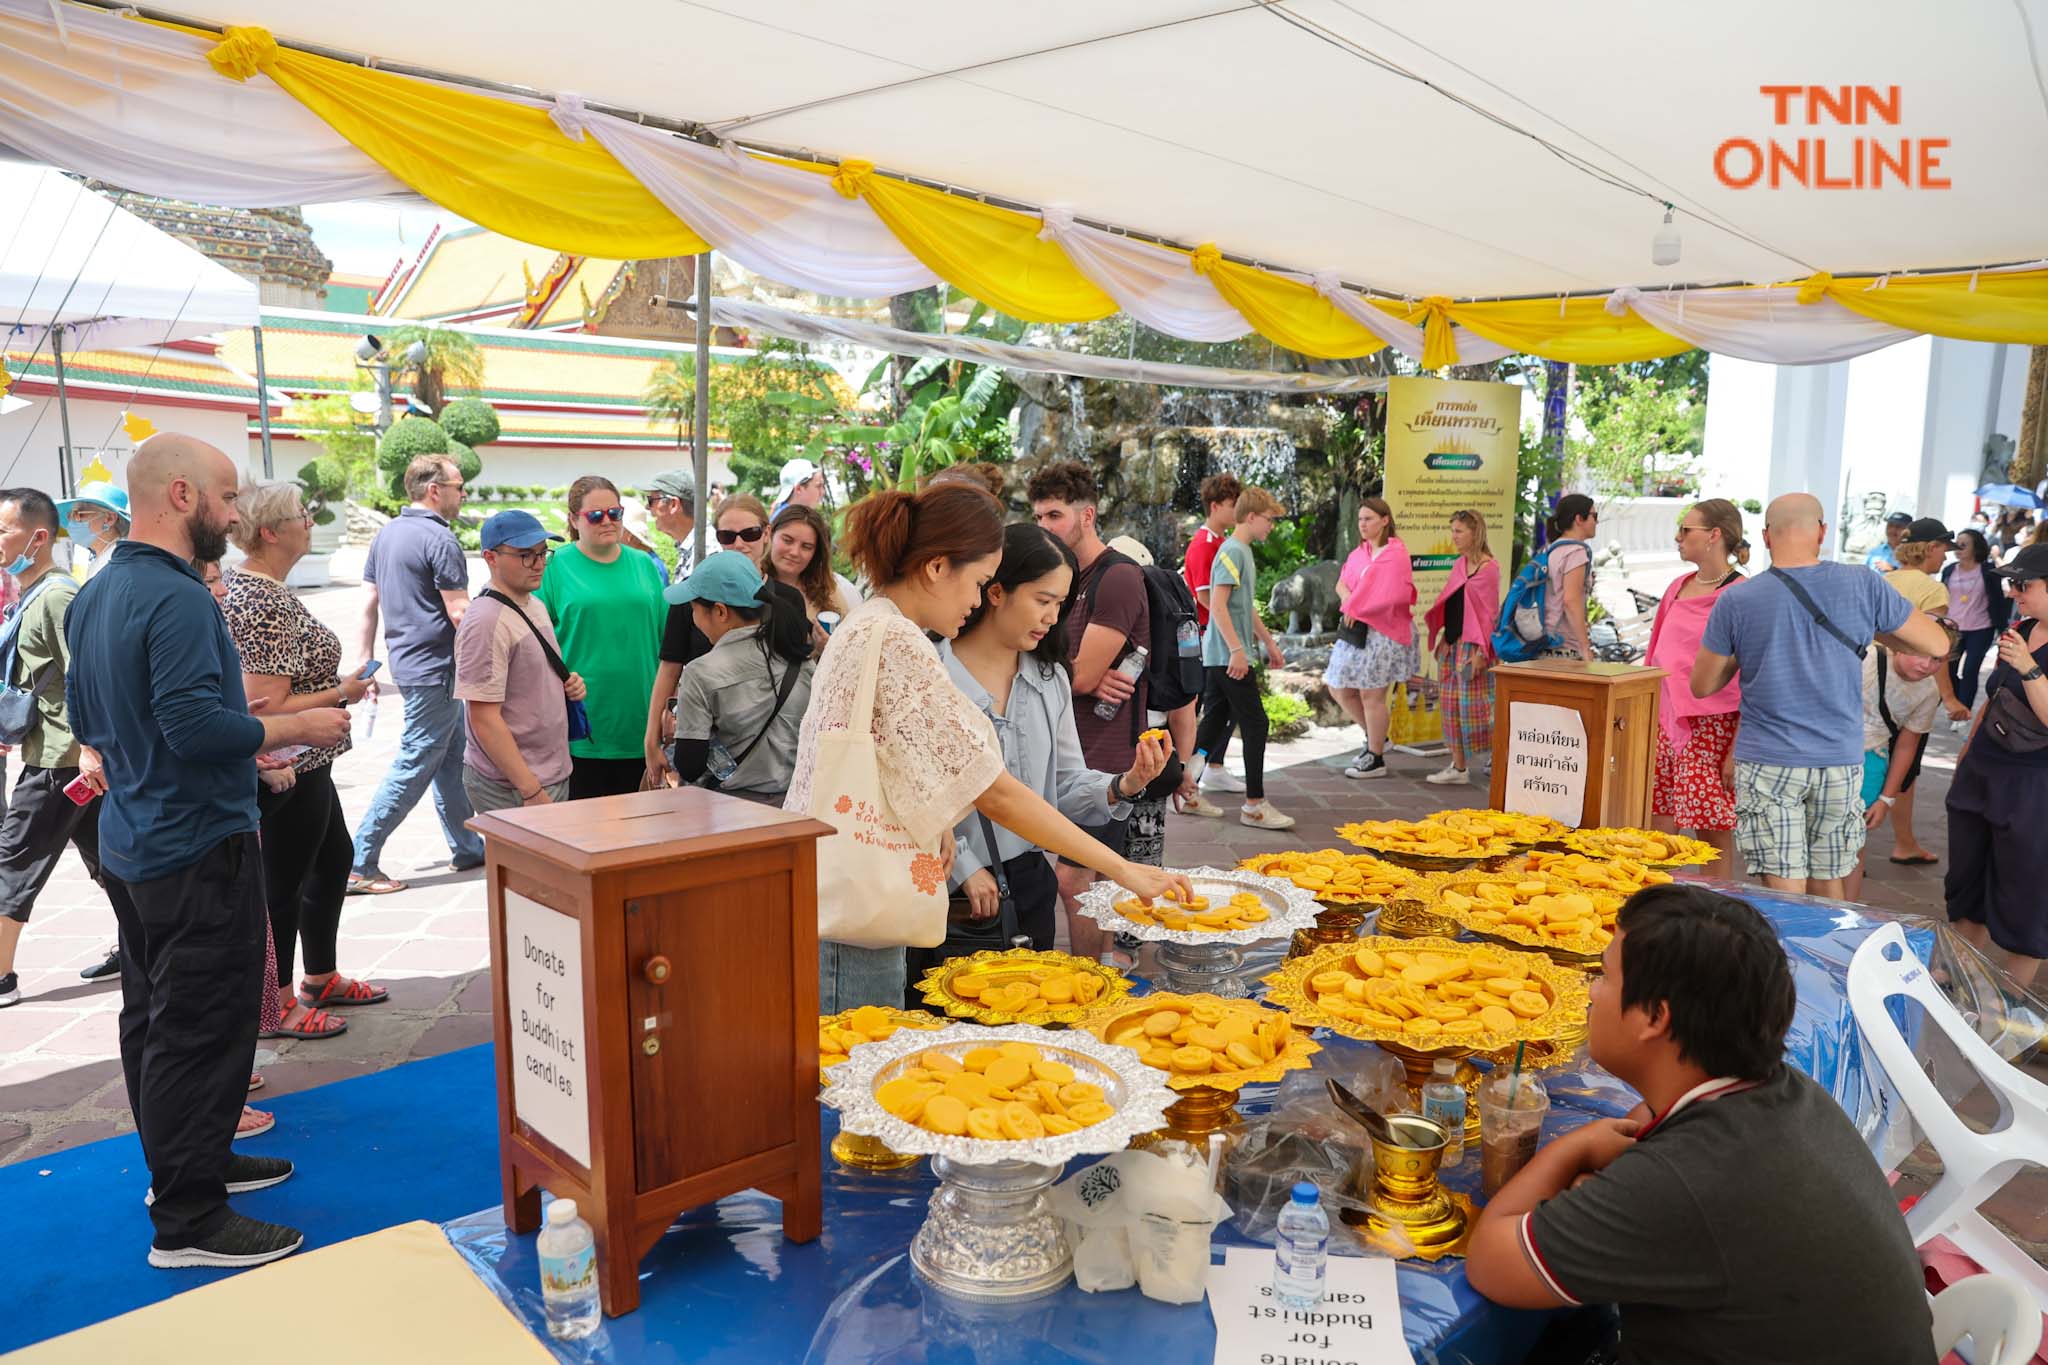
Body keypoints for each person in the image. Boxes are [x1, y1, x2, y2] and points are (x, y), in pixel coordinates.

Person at [67, 432, 352, 1269]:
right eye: (227, 499)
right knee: (201, 1026)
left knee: (156, 1019)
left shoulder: (98, 590)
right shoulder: (181, 597)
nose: (236, 517)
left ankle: (191, 1166)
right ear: (183, 496)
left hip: (139, 840)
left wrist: (239, 761)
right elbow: (194, 726)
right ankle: (189, 1218)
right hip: (193, 846)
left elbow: (100, 723)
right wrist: (296, 725)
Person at [1466, 884, 1935, 1364]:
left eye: (1604, 976)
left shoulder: (1685, 1178)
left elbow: (1491, 1265)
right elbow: (1649, 1131)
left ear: (1654, 1017)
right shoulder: (1782, 1090)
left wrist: (1571, 1150)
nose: (1590, 991)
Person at [786, 481, 1190, 1012]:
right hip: (858, 909)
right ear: (936, 569)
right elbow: (995, 793)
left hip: (848, 892)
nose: (978, 599)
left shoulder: (868, 624)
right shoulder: (899, 639)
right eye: (978, 582)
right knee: (854, 1061)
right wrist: (1124, 869)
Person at [1691, 493, 1950, 897]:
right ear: (1823, 531)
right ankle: (1828, 959)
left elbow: (1702, 685)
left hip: (1768, 760)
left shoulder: (1738, 599)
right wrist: (1872, 631)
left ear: (1765, 537)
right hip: (1839, 758)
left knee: (1782, 887)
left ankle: (1786, 958)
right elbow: (1936, 643)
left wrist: (1749, 651)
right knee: (1830, 880)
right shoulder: (1863, 583)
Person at [935, 523, 1169, 959]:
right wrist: (964, 866)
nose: (1052, 618)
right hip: (952, 889)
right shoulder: (934, 675)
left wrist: (1124, 784)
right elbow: (910, 794)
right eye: (1042, 601)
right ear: (995, 591)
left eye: (1061, 604)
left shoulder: (1049, 678)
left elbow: (1061, 786)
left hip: (1028, 882)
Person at [224, 482, 384, 1037]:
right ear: (270, 531)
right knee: (284, 885)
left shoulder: (260, 587)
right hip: (290, 762)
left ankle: (319, 975)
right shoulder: (260, 598)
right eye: (301, 515)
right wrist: (341, 692)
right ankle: (280, 1002)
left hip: (312, 760)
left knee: (333, 860)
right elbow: (272, 706)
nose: (310, 523)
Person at [1028, 462, 1178, 961]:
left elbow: (1085, 675)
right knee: (1082, 877)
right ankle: (1100, 970)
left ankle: (1091, 976)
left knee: (1075, 878)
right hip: (1071, 749)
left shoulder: (1115, 578)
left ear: (1087, 515)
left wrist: (1070, 677)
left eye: (1054, 515)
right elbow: (1071, 673)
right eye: (1038, 517)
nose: (1044, 526)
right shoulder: (1066, 577)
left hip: (1105, 758)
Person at [349, 454, 483, 895]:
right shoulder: (439, 539)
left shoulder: (388, 535)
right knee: (417, 761)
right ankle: (359, 859)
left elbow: (367, 604)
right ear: (434, 490)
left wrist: (366, 665)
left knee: (450, 757)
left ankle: (466, 845)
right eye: (458, 486)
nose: (463, 495)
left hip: (411, 666)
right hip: (437, 669)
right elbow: (460, 612)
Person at [0, 488, 104, 1009]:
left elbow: (85, 673)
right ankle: (141, 946)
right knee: (111, 862)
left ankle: (1, 979)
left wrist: (89, 747)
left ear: (37, 537)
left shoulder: (57, 595)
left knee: (13, 861)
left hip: (62, 764)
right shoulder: (30, 592)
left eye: (2, 530)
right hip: (57, 757)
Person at [644, 494, 801, 788]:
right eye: (727, 536)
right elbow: (669, 667)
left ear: (766, 533)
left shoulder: (787, 601)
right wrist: (651, 738)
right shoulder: (694, 592)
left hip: (763, 762)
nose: (739, 544)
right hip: (717, 753)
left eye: (750, 534)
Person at [1946, 543, 2048, 992]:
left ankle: (2011, 1003)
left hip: (2032, 786)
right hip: (1985, 773)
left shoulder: (2026, 645)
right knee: (1970, 878)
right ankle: (1956, 971)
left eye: (2024, 584)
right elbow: (1995, 701)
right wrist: (1967, 756)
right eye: (2011, 583)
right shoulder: (2023, 627)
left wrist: (2029, 668)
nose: (2013, 592)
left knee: (2024, 890)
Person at [538, 475, 668, 798]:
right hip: (582, 728)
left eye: (615, 513)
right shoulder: (554, 567)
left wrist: (669, 710)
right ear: (573, 519)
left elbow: (668, 646)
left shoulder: (645, 566)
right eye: (595, 516)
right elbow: (537, 646)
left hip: (641, 723)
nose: (607, 521)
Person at [456, 511, 586, 813]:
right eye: (525, 555)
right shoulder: (486, 621)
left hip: (545, 773)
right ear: (491, 557)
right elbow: (483, 718)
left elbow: (529, 675)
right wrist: (530, 789)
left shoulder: (532, 602)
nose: (539, 563)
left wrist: (568, 683)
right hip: (515, 785)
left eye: (542, 553)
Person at [1646, 499, 1748, 867]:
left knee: (1712, 829)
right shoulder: (1677, 586)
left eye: (1687, 529)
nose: (1678, 536)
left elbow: (1754, 676)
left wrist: (1736, 749)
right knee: (1658, 827)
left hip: (1713, 729)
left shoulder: (1741, 594)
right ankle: (1657, 911)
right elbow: (1654, 657)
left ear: (1714, 535)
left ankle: (1716, 913)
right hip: (1663, 721)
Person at [666, 551, 814, 803]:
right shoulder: (801, 660)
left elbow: (689, 765)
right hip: (796, 804)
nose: (693, 618)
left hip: (731, 811)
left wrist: (676, 731)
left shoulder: (700, 672)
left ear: (721, 612)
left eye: (693, 609)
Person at [1190, 485, 1295, 828]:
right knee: (1256, 722)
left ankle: (1186, 792)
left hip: (1226, 655)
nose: (1272, 527)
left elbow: (1243, 607)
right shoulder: (1232, 552)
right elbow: (1216, 604)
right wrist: (1238, 650)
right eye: (1269, 520)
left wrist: (1269, 643)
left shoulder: (1241, 551)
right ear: (1251, 517)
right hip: (1227, 656)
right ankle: (1254, 805)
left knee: (1210, 729)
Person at [1848, 631, 1957, 898]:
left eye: (1937, 660)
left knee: (1853, 844)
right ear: (1898, 647)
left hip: (1871, 759)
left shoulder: (1929, 691)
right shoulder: (1862, 658)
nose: (1926, 666)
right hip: (1824, 753)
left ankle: (1845, 912)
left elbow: (1907, 745)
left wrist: (1887, 798)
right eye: (1919, 654)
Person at [1327, 498, 1417, 781]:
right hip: (1357, 630)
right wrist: (1350, 602)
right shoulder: (1359, 553)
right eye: (1360, 520)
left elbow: (1392, 595)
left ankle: (1376, 756)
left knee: (1372, 695)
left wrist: (1355, 606)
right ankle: (1377, 736)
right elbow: (1342, 583)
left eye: (1368, 519)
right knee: (1338, 687)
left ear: (1384, 520)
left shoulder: (1395, 553)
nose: (1363, 524)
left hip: (1384, 633)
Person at [1421, 509, 1501, 787]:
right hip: (1453, 643)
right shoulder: (1459, 564)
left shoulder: (1489, 569)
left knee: (1479, 710)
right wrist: (1444, 635)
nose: (1453, 536)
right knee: (1451, 707)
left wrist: (1483, 653)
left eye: (1459, 531)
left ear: (1474, 533)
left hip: (1474, 646)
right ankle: (1458, 767)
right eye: (1452, 530)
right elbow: (1452, 603)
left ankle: (1499, 759)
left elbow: (1489, 614)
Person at [1177, 473, 1241, 815]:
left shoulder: (1220, 541)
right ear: (1215, 506)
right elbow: (1204, 595)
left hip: (1213, 636)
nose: (1238, 511)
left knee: (1223, 709)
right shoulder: (1204, 545)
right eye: (1233, 505)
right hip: (1207, 638)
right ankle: (1192, 783)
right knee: (1212, 711)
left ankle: (1212, 769)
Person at [765, 503, 857, 649]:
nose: (795, 552)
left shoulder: (829, 591)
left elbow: (851, 647)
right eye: (787, 540)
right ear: (769, 535)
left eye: (806, 547)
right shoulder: (752, 587)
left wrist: (828, 649)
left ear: (816, 553)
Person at [1943, 527, 2010, 711]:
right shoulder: (1949, 570)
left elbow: (1998, 600)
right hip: (1953, 628)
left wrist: (2003, 627)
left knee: (1970, 670)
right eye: (1957, 544)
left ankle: (1965, 708)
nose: (1958, 547)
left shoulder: (1988, 570)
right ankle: (1956, 704)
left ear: (1976, 547)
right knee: (1948, 669)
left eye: (1963, 544)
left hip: (1981, 628)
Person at [1543, 493, 1599, 661]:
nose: (1596, 521)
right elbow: (1571, 601)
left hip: (1547, 637)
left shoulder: (1554, 548)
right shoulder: (1576, 552)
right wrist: (1584, 646)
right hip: (1565, 645)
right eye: (1594, 516)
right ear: (1579, 519)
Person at [53, 479, 130, 582]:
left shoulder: (120, 561)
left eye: (78, 514)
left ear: (109, 519)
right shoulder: (98, 559)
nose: (72, 521)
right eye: (70, 516)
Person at [642, 468, 698, 580]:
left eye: (651, 500)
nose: (647, 507)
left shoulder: (704, 551)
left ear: (673, 504)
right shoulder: (690, 546)